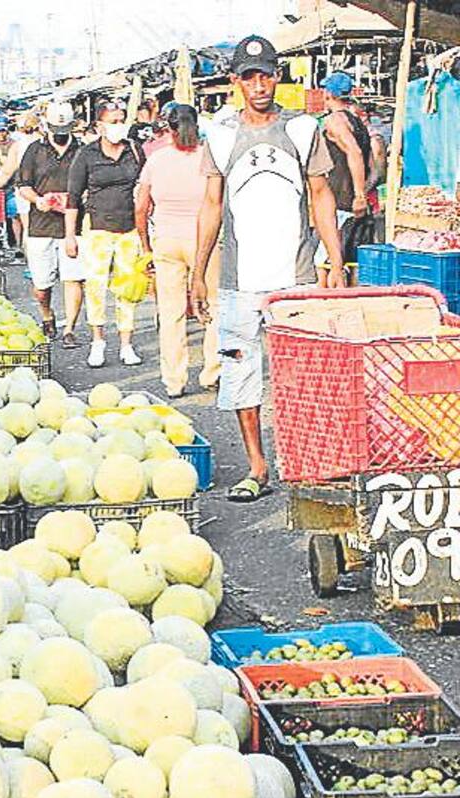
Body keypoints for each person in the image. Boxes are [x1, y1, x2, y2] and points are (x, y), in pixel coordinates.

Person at [193, 34, 346, 502]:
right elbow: (212, 206)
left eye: (266, 74)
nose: (259, 84)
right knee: (242, 375)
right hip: (240, 283)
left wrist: (335, 261)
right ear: (236, 81)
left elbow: (322, 196)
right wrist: (199, 273)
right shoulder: (219, 136)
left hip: (295, 280)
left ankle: (301, 461)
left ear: (278, 77)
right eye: (249, 76)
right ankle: (257, 467)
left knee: (301, 374)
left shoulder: (303, 130)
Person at [134, 104, 221, 399]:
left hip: (166, 242)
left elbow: (141, 208)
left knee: (170, 314)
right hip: (204, 242)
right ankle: (212, 371)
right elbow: (220, 202)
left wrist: (146, 247)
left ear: (168, 130)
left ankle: (174, 381)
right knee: (213, 306)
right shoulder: (210, 157)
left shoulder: (156, 160)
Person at [66, 100, 147, 368]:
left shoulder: (134, 150)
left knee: (127, 287)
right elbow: (73, 197)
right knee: (96, 286)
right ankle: (98, 341)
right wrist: (70, 235)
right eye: (112, 121)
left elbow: (146, 187)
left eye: (121, 120)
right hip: (97, 227)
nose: (118, 126)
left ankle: (126, 344)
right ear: (99, 126)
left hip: (129, 228)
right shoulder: (87, 155)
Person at [16, 102, 84, 345]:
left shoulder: (82, 150)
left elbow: (90, 185)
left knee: (73, 278)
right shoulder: (34, 150)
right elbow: (23, 185)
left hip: (73, 226)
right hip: (41, 225)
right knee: (42, 284)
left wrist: (78, 198)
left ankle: (70, 329)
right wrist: (38, 200)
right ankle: (47, 314)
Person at [320, 71, 372, 237]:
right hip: (350, 199)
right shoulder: (355, 121)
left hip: (341, 199)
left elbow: (355, 152)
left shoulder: (334, 121)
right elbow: (370, 160)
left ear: (328, 93)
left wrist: (359, 195)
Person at [0, 111, 42, 251]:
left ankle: (32, 266)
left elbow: (7, 171)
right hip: (47, 190)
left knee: (28, 229)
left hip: (25, 192)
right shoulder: (48, 142)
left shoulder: (19, 145)